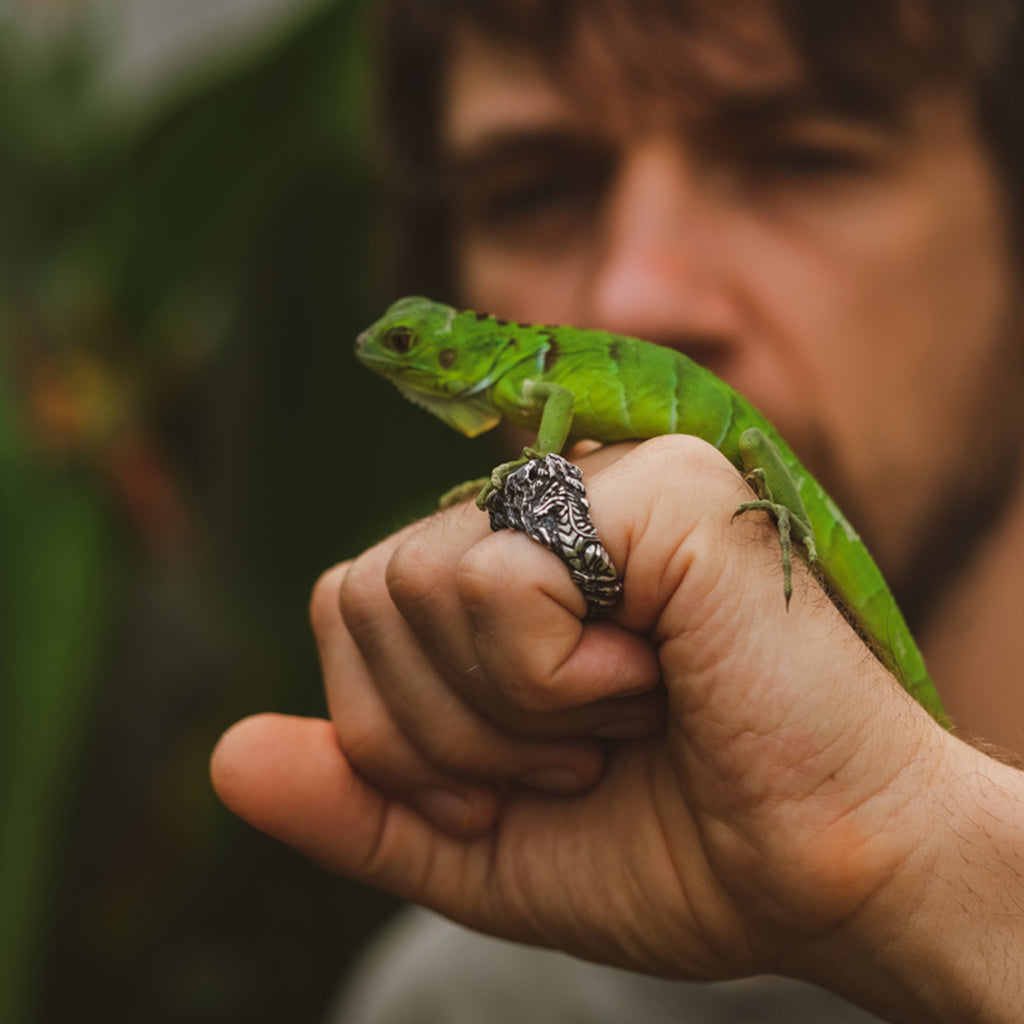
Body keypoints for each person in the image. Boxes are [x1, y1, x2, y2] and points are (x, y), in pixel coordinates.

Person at [210, 1, 1024, 1020]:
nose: (636, 298)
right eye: (533, 189)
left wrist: (940, 867)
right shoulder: (470, 996)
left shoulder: (558, 395)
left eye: (800, 157)